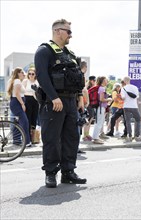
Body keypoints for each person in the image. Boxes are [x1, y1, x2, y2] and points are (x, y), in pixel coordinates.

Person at [34, 18, 86, 188]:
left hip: (71, 101)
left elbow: (76, 78)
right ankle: (50, 173)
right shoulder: (44, 51)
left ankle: (68, 172)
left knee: (72, 137)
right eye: (68, 31)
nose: (71, 34)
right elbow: (42, 76)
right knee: (52, 139)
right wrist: (54, 97)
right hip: (54, 101)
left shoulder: (70, 54)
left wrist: (79, 97)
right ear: (57, 31)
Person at [7, 67, 32, 147]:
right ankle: (27, 142)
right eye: (22, 72)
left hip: (15, 102)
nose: (23, 74)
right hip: (17, 103)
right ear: (18, 73)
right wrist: (22, 104)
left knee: (17, 122)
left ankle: (17, 140)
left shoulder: (14, 81)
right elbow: (17, 94)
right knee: (24, 122)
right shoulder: (17, 81)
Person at [121, 76, 141, 142]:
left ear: (124, 81)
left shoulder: (123, 88)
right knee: (138, 120)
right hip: (134, 106)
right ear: (129, 80)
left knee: (128, 121)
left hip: (126, 106)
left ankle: (129, 136)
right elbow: (137, 96)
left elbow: (123, 97)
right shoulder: (135, 87)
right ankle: (137, 136)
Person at [91, 76, 112, 144]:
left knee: (98, 123)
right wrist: (108, 99)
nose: (107, 81)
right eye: (106, 80)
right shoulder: (102, 88)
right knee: (99, 123)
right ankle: (96, 138)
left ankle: (96, 137)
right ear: (103, 81)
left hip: (99, 107)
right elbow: (101, 99)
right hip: (101, 107)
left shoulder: (100, 88)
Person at [22, 67, 40, 144]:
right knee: (28, 119)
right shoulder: (26, 81)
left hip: (35, 101)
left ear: (35, 74)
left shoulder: (37, 81)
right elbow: (22, 92)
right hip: (27, 100)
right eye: (29, 74)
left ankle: (34, 138)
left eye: (33, 74)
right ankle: (27, 137)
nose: (31, 75)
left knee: (34, 118)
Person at [82, 75, 96, 141]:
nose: (95, 82)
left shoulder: (92, 86)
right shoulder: (87, 87)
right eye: (94, 80)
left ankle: (87, 134)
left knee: (90, 119)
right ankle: (85, 135)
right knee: (87, 120)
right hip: (88, 105)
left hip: (91, 105)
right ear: (91, 80)